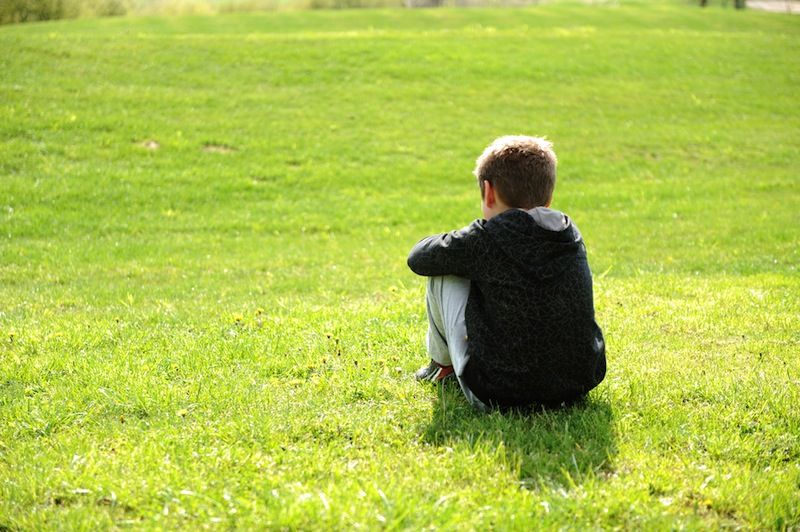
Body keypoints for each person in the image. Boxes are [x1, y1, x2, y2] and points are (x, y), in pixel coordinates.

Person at [407, 135, 606, 411]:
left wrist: (467, 235)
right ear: (548, 197)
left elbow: (418, 258)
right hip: (577, 385)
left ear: (489, 192)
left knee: (443, 269)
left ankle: (442, 367)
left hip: (497, 394)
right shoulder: (569, 233)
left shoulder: (487, 238)